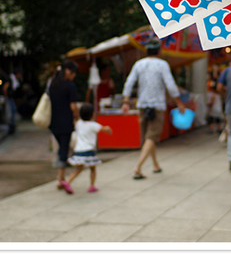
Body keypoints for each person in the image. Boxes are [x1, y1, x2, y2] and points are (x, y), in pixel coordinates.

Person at [121, 38, 185, 180]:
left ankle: (155, 165)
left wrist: (126, 101)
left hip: (143, 105)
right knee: (151, 137)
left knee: (148, 138)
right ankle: (138, 167)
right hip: (157, 106)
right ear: (159, 51)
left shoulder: (139, 64)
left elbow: (129, 82)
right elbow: (170, 84)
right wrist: (179, 102)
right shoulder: (162, 65)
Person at [61, 103, 112, 194]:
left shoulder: (79, 124)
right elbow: (104, 129)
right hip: (89, 151)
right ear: (92, 114)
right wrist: (108, 129)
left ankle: (68, 182)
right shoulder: (93, 125)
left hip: (79, 151)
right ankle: (92, 186)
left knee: (78, 169)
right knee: (92, 169)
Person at [49, 60, 79, 190]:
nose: (74, 75)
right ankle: (60, 179)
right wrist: (77, 118)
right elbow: (73, 106)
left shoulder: (53, 85)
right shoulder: (70, 86)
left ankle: (61, 178)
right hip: (65, 122)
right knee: (64, 150)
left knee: (62, 148)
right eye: (74, 73)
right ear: (68, 71)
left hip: (53, 122)